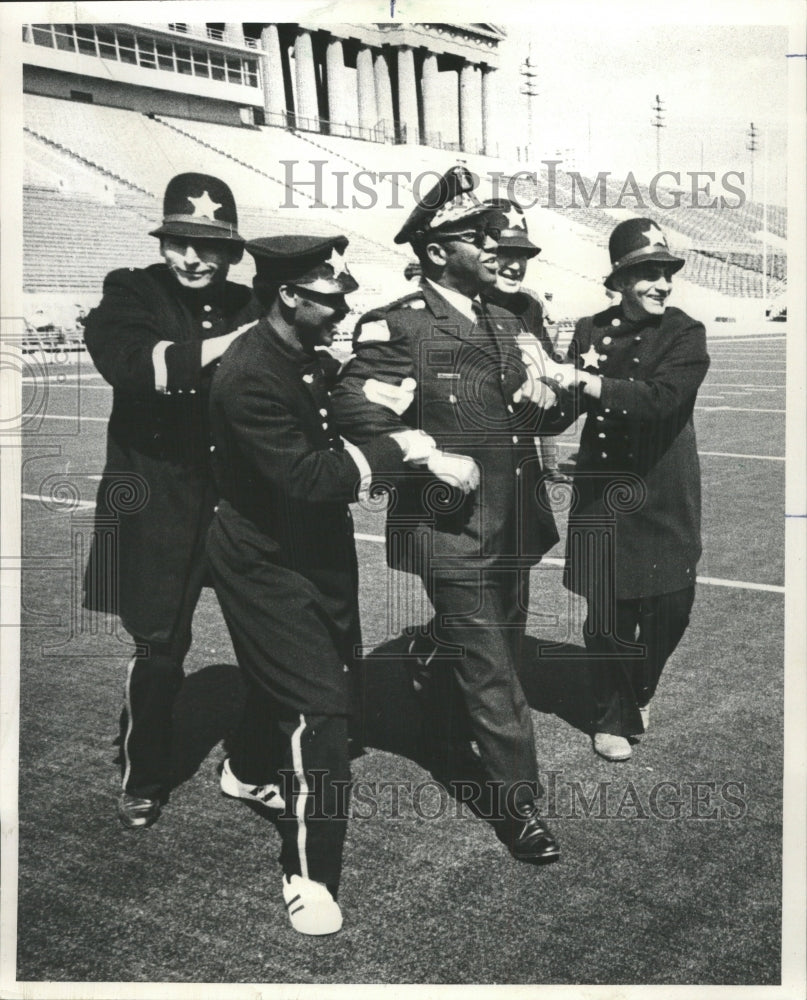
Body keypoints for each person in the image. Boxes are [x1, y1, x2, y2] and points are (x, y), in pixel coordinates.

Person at [206, 233, 477, 935]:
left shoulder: (298, 356)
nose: (341, 309)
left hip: (312, 551)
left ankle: (241, 766)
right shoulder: (249, 373)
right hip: (263, 559)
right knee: (320, 711)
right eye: (330, 297)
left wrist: (383, 404)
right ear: (290, 297)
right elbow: (309, 477)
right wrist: (406, 447)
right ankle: (310, 875)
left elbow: (339, 412)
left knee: (313, 677)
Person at [330, 165, 561, 864]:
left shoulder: (503, 316)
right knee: (492, 666)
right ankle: (517, 804)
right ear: (436, 252)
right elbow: (351, 403)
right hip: (448, 528)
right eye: (475, 238)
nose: (492, 250)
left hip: (515, 520)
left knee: (504, 645)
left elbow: (541, 405)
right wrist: (423, 452)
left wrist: (556, 391)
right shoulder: (398, 324)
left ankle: (431, 659)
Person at [82, 172, 260, 829]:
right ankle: (144, 773)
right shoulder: (130, 289)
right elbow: (135, 366)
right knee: (160, 649)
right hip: (154, 503)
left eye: (209, 246)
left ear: (233, 252)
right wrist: (246, 345)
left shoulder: (251, 301)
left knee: (272, 640)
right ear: (163, 244)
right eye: (179, 242)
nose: (191, 257)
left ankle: (253, 762)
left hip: (239, 503)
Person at [536, 218, 710, 761]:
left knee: (671, 608)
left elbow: (661, 400)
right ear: (619, 280)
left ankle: (640, 685)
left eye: (665, 273)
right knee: (609, 616)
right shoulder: (590, 329)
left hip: (661, 493)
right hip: (603, 494)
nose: (661, 284)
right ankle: (612, 715)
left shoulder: (685, 332)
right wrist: (538, 387)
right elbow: (567, 407)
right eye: (647, 274)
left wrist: (585, 382)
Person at [482, 198, 571, 484]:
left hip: (522, 457)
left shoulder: (528, 306)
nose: (516, 265)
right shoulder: (461, 306)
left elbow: (548, 369)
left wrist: (548, 386)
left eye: (523, 255)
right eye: (504, 253)